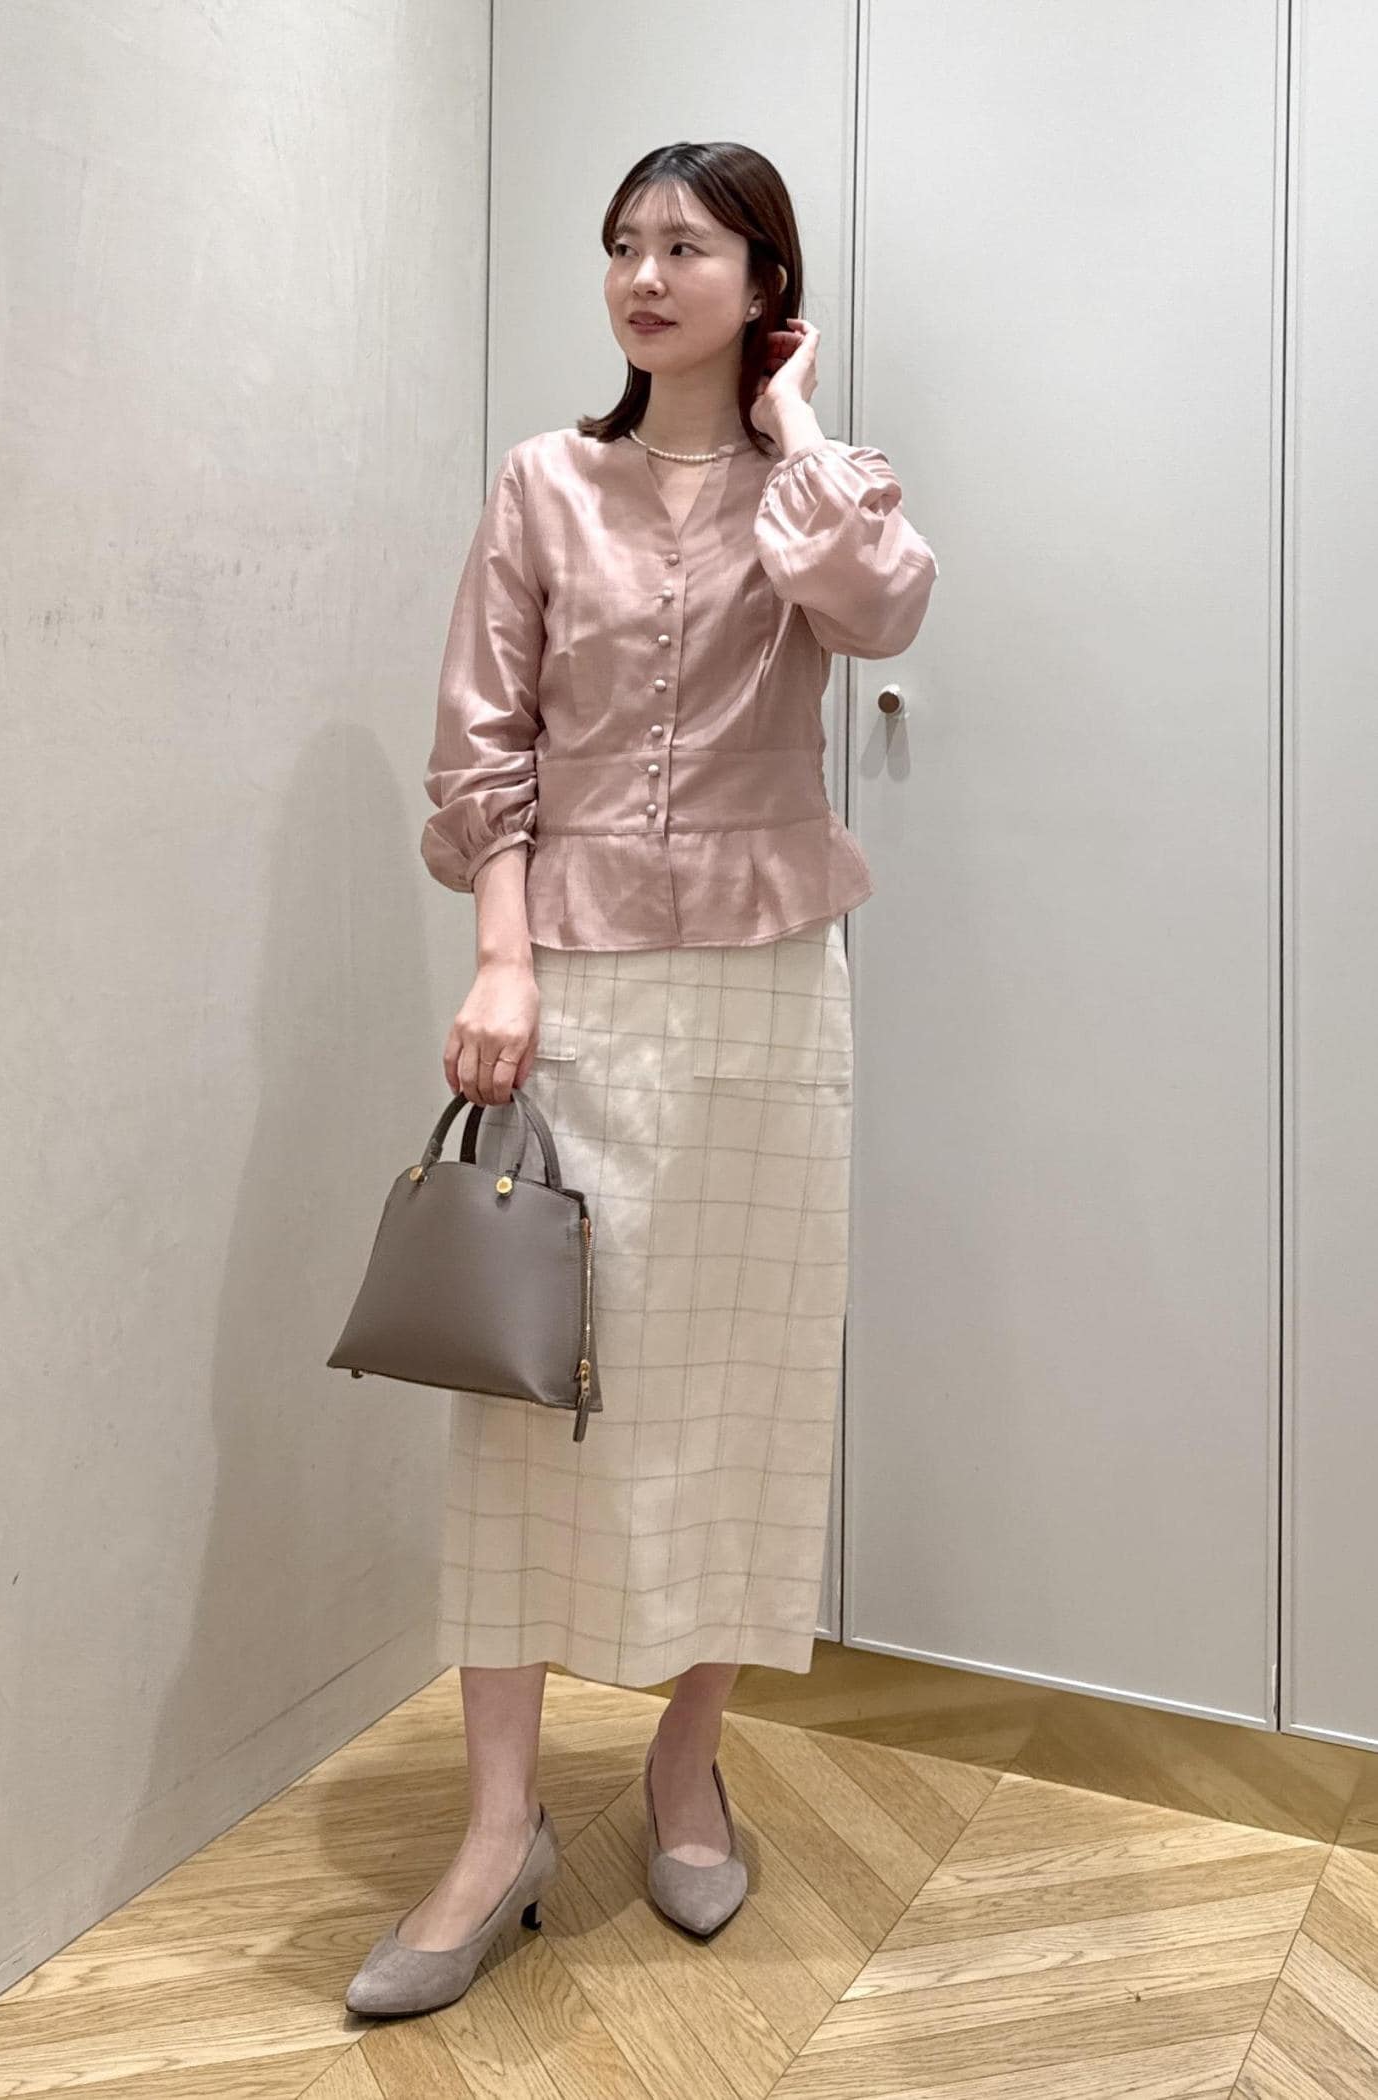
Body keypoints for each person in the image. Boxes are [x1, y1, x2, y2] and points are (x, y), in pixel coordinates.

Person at [347, 139, 938, 2018]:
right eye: (623, 244)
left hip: (767, 987)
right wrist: (503, 957)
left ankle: (689, 1763)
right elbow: (485, 742)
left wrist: (798, 427)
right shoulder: (546, 480)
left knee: (745, 1378)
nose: (645, 274)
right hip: (579, 974)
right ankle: (494, 1827)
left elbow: (883, 609)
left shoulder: (810, 491)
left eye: (687, 245)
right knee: (536, 1394)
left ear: (764, 283)